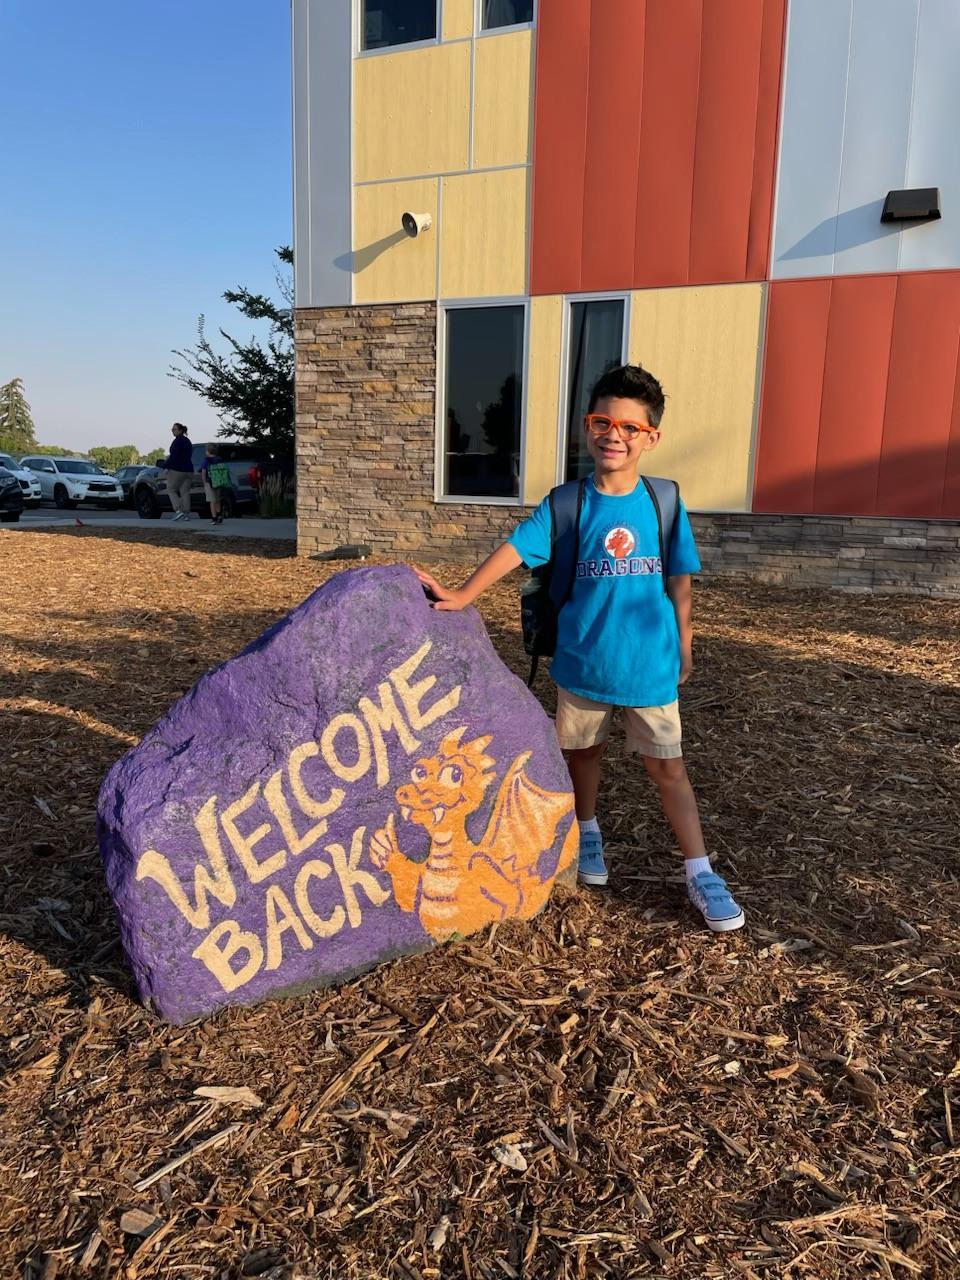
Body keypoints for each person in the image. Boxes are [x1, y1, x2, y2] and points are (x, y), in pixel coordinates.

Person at [416, 364, 745, 933]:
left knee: (668, 768)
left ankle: (699, 869)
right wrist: (465, 593)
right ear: (585, 427)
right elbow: (517, 547)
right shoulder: (568, 503)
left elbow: (680, 581)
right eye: (601, 421)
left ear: (651, 438)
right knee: (581, 756)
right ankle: (587, 832)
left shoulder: (663, 501)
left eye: (629, 427)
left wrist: (686, 644)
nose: (613, 434)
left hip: (649, 669)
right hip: (583, 663)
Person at [161, 422, 194, 521]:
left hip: (177, 470)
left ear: (180, 430)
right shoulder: (188, 441)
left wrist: (166, 466)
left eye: (174, 429)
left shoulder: (177, 442)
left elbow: (174, 456)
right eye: (172, 429)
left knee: (171, 489)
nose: (172, 431)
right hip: (189, 469)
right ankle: (186, 514)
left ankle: (178, 510)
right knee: (185, 492)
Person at [199, 444, 228, 524]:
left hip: (210, 483)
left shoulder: (206, 461)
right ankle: (219, 515)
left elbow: (203, 472)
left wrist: (204, 481)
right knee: (218, 499)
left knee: (212, 501)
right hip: (219, 482)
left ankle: (214, 517)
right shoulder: (220, 460)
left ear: (208, 452)